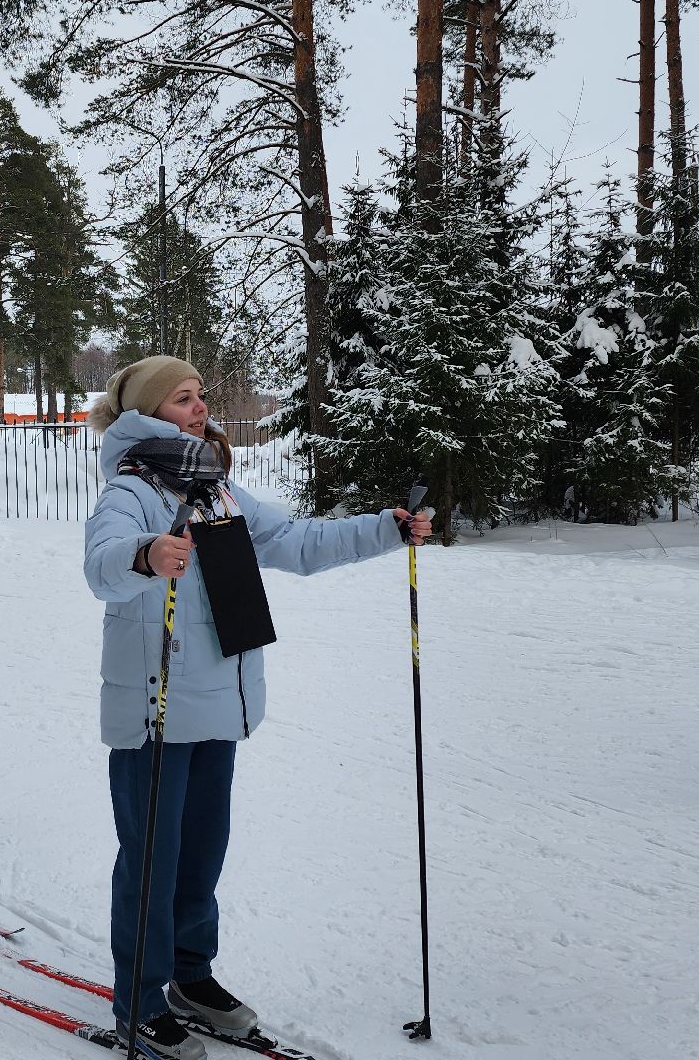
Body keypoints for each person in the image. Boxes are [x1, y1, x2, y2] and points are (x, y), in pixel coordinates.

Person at [83, 355, 430, 1058]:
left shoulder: (219, 491)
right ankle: (140, 1002)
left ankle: (189, 978)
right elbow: (101, 566)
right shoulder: (131, 490)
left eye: (200, 395)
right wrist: (147, 555)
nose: (199, 406)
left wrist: (384, 528)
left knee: (201, 854)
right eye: (183, 398)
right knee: (152, 859)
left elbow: (296, 542)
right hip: (157, 707)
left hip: (218, 704)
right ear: (149, 412)